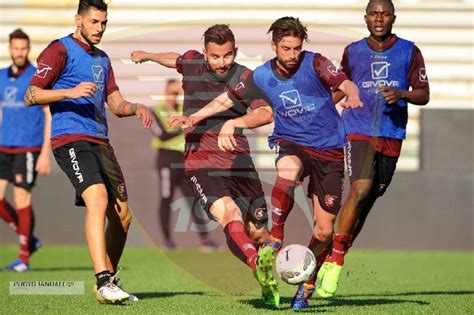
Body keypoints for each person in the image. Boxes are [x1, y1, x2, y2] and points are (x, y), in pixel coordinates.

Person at [172, 17, 362, 310]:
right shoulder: (261, 76)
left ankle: (307, 284)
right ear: (274, 46)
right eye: (286, 48)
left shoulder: (316, 64)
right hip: (292, 142)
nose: (292, 55)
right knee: (287, 168)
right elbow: (228, 98)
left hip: (330, 150)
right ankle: (277, 235)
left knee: (324, 232)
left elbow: (344, 82)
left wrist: (352, 94)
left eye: (297, 48)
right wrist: (197, 118)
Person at [131, 24, 280, 307]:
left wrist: (234, 123)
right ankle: (254, 264)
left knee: (258, 232)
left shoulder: (246, 78)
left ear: (234, 52)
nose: (221, 62)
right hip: (200, 161)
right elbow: (174, 59)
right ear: (205, 54)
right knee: (229, 214)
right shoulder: (192, 63)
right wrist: (147, 55)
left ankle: (261, 269)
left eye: (227, 56)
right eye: (215, 56)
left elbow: (265, 113)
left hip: (239, 161)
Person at [24, 0, 152, 304]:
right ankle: (103, 279)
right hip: (69, 137)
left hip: (100, 141)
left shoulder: (103, 59)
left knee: (123, 217)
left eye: (104, 23)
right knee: (97, 197)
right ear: (78, 20)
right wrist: (67, 91)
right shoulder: (59, 50)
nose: (100, 28)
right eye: (94, 22)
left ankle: (108, 280)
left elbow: (116, 104)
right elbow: (31, 94)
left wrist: (135, 107)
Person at [315, 0, 430, 299]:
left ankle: (336, 255)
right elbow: (343, 84)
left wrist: (402, 93)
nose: (379, 19)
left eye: (385, 14)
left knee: (367, 199)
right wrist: (322, 108)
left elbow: (423, 94)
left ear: (393, 17)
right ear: (366, 18)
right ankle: (336, 260)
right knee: (361, 188)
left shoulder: (409, 50)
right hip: (357, 128)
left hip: (391, 133)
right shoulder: (353, 51)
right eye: (374, 14)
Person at [0, 29, 51, 272]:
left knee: (22, 199)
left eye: (23, 48)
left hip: (28, 148)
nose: (19, 52)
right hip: (4, 146)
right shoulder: (1, 77)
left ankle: (23, 258)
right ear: (10, 49)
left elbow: (48, 114)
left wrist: (44, 153)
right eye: (15, 48)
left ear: (28, 49)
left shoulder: (36, 77)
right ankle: (29, 240)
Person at [150, 78, 217, 251]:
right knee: (166, 197)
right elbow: (162, 136)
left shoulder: (183, 110)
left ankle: (204, 240)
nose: (175, 97)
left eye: (177, 93)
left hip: (184, 159)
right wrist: (183, 127)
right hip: (166, 158)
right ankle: (167, 241)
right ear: (165, 92)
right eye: (172, 93)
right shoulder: (156, 111)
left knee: (193, 199)